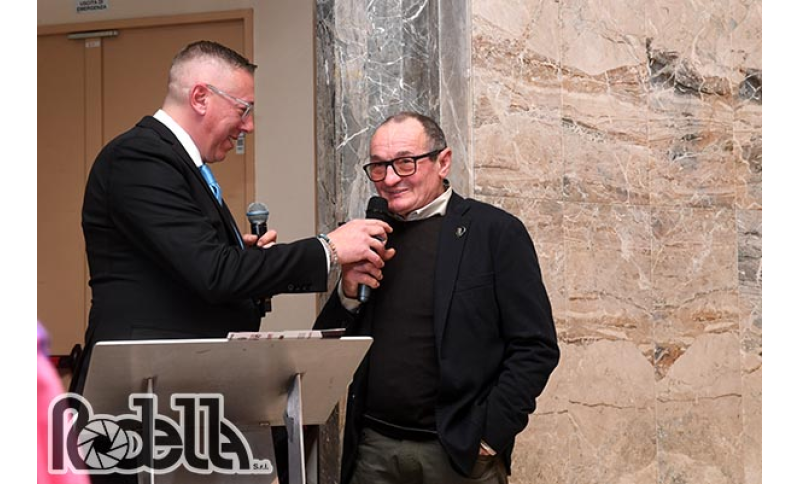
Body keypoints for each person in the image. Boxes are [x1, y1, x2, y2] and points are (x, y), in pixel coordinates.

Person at [73, 40, 393, 482]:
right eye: (243, 109)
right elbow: (213, 274)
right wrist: (329, 248)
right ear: (200, 97)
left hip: (183, 404)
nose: (249, 125)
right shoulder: (140, 158)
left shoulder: (182, 166)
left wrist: (247, 264)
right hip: (140, 404)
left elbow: (198, 270)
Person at [314, 111, 560, 484]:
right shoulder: (368, 237)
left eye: (405, 163)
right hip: (373, 450)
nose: (390, 179)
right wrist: (348, 294)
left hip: (458, 455)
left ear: (443, 162)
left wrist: (489, 436)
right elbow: (325, 348)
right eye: (379, 166)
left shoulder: (494, 232)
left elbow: (536, 346)